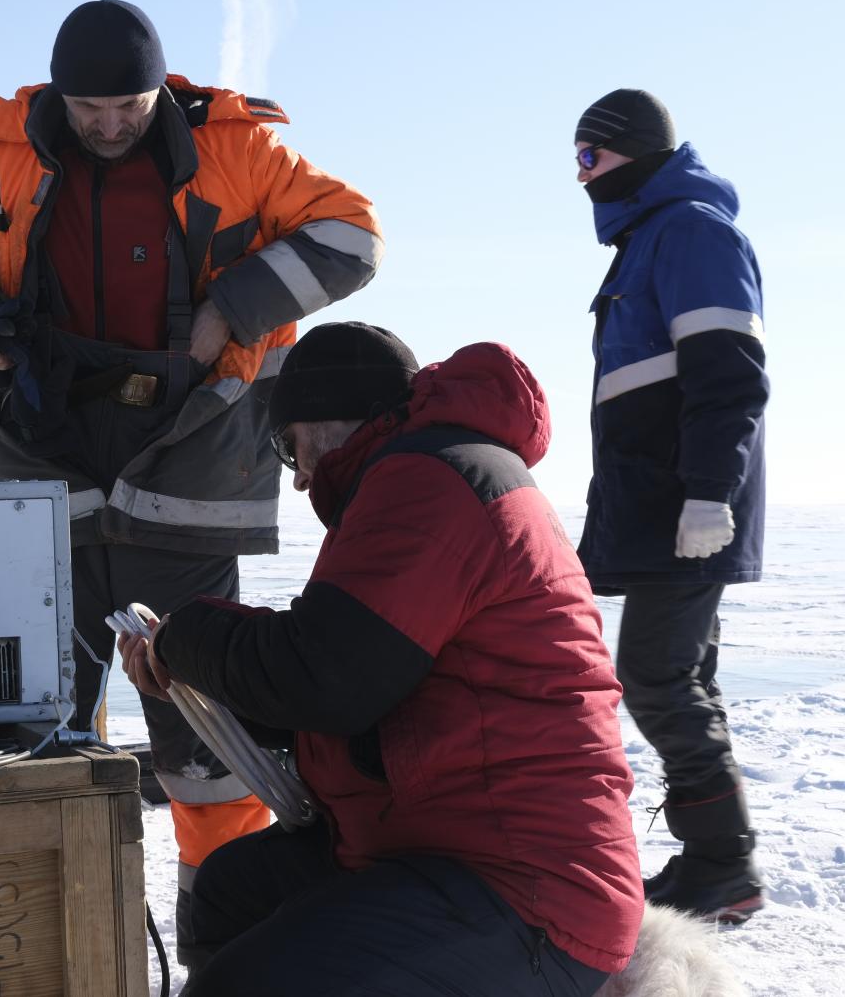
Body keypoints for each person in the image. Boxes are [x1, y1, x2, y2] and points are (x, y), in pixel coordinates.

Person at [0, 0, 382, 958]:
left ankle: (224, 948)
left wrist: (235, 307)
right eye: (91, 108)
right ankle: (31, 949)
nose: (111, 124)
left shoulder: (238, 149)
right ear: (60, 97)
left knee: (204, 740)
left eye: (128, 103)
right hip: (47, 465)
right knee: (32, 727)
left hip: (189, 468)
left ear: (159, 89)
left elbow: (353, 237)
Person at [118, 322, 642, 996]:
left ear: (330, 417)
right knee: (233, 890)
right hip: (440, 852)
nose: (302, 476)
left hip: (525, 893)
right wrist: (188, 681)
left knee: (253, 980)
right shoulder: (432, 472)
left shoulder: (431, 479)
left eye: (289, 446)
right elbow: (357, 686)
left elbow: (324, 678)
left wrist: (183, 637)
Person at [572, 89, 769, 922]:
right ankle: (718, 867)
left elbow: (729, 374)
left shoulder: (691, 230)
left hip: (687, 505)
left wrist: (707, 494)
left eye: (592, 159)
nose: (580, 178)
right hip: (658, 501)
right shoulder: (648, 239)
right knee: (682, 676)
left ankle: (722, 864)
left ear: (636, 151)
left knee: (653, 675)